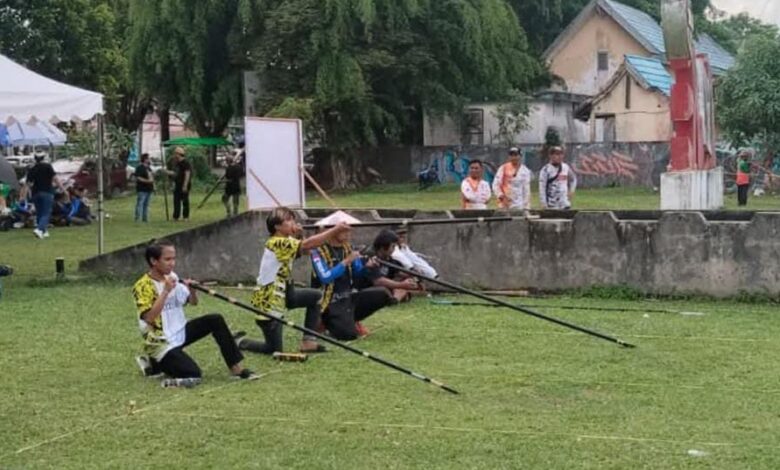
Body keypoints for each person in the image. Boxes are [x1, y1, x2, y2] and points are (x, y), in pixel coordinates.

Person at [132, 239, 256, 385]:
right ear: (154, 261)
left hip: (180, 331)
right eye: (167, 259)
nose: (172, 263)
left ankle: (236, 368)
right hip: (161, 341)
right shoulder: (142, 286)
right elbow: (149, 318)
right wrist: (165, 291)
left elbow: (192, 302)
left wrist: (192, 290)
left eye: (173, 258)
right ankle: (156, 363)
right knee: (193, 373)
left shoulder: (172, 277)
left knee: (215, 319)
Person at [235, 208, 351, 354]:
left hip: (285, 293)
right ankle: (241, 342)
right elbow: (307, 245)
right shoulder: (276, 243)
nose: (293, 223)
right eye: (288, 220)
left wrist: (302, 235)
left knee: (316, 296)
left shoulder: (287, 241)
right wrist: (334, 230)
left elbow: (306, 250)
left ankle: (309, 341)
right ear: (277, 226)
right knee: (273, 349)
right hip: (269, 301)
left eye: (293, 219)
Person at [310, 213, 394, 340]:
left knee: (383, 294)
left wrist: (367, 267)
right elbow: (325, 277)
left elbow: (357, 274)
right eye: (345, 231)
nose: (349, 234)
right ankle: (325, 322)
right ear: (333, 231)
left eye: (349, 230)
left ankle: (349, 319)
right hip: (329, 302)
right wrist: (346, 261)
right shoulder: (317, 251)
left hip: (348, 297)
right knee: (348, 335)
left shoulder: (348, 248)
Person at [359, 229, 423, 303]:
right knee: (384, 290)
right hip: (367, 289)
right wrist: (401, 284)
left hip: (385, 289)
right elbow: (378, 281)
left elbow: (400, 271)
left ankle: (394, 300)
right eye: (392, 246)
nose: (394, 250)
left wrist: (414, 275)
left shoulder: (389, 259)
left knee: (401, 289)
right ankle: (393, 298)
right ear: (383, 247)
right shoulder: (369, 258)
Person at [26, 154, 62, 239]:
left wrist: (24, 195)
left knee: (39, 212)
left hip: (35, 193)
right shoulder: (48, 166)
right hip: (47, 192)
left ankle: (43, 231)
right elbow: (55, 178)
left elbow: (28, 183)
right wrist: (62, 188)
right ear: (44, 158)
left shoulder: (32, 169)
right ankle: (39, 229)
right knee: (46, 212)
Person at [539, 146, 577, 210]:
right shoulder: (546, 170)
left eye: (561, 154)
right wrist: (544, 203)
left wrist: (571, 191)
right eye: (557, 154)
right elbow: (542, 187)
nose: (559, 156)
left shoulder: (565, 167)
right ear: (550, 156)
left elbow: (573, 179)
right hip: (552, 205)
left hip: (564, 204)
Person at [168, 147, 192, 221]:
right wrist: (166, 172)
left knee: (185, 200)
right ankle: (176, 216)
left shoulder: (186, 163)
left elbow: (187, 174)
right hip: (177, 184)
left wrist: (185, 185)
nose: (175, 155)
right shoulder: (176, 163)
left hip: (184, 184)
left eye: (176, 154)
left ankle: (186, 216)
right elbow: (175, 173)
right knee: (176, 200)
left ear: (179, 154)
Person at [135, 153, 155, 222]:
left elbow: (151, 177)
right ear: (145, 159)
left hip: (149, 189)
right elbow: (138, 178)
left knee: (146, 204)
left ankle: (145, 218)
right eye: (148, 158)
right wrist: (147, 181)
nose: (149, 160)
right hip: (142, 189)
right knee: (140, 204)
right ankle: (138, 218)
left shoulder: (149, 168)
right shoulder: (140, 167)